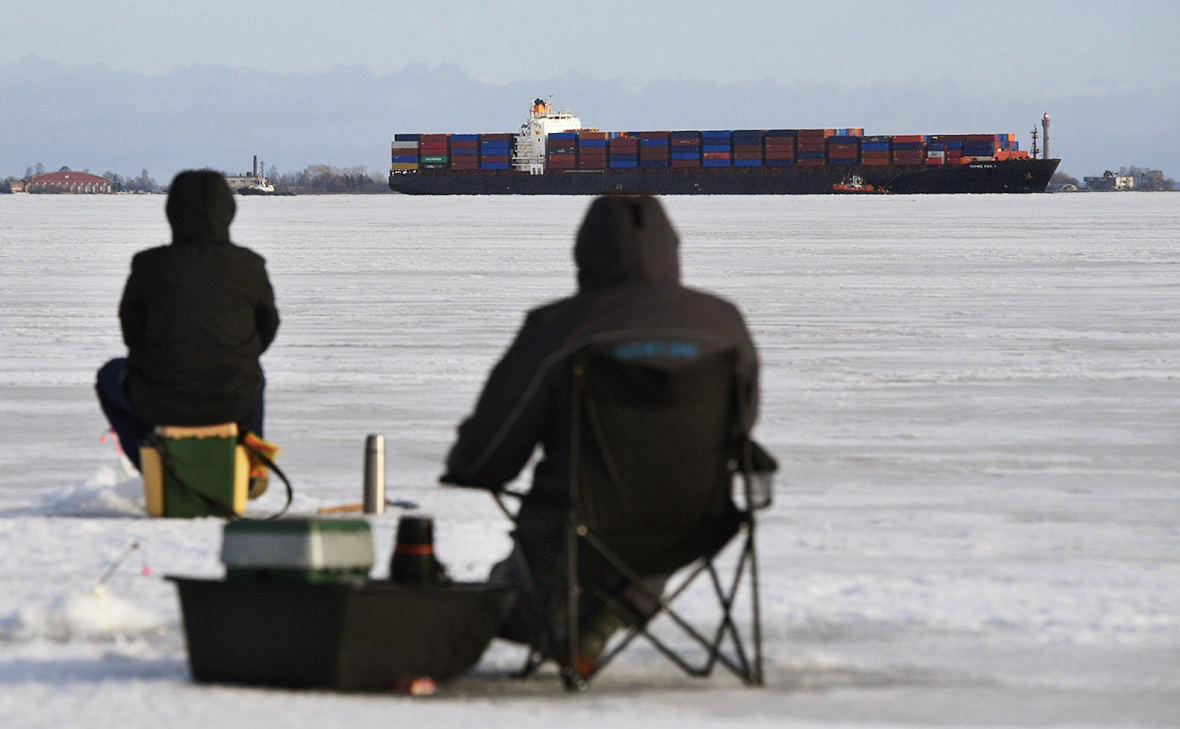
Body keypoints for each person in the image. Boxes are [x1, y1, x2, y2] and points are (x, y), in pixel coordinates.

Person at [441, 194, 759, 659]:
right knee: (656, 505)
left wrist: (471, 467)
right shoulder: (724, 323)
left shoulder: (558, 327)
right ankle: (612, 613)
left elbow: (491, 450)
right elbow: (741, 422)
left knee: (517, 598)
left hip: (574, 524)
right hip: (694, 524)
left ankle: (546, 615)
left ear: (584, 251)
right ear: (672, 246)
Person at [96, 170, 280, 475]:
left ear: (172, 211)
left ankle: (158, 469)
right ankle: (247, 471)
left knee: (109, 375)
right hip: (232, 399)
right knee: (252, 372)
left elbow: (131, 332)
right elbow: (268, 327)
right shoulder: (250, 265)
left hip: (158, 397)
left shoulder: (148, 265)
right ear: (228, 210)